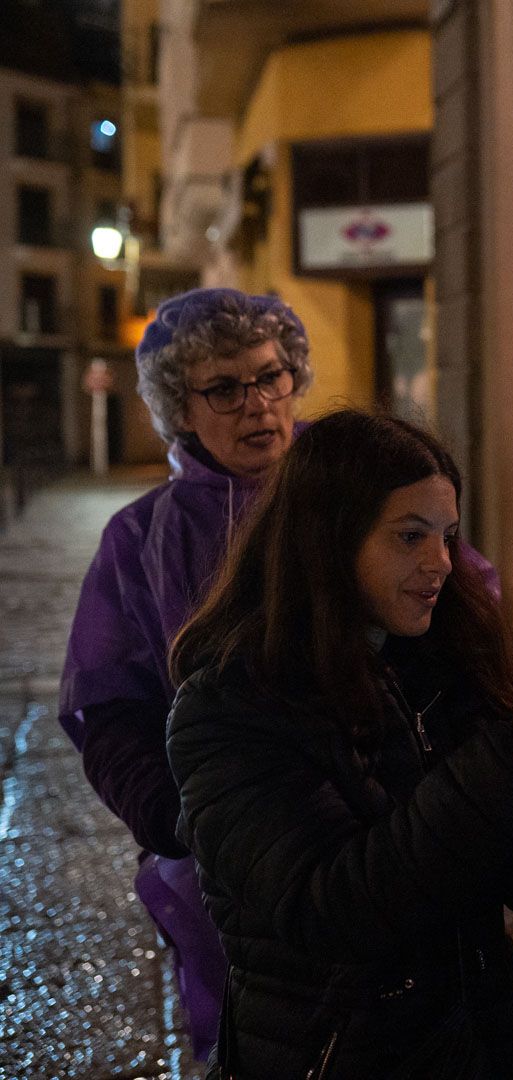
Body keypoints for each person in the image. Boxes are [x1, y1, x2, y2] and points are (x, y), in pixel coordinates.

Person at [165, 409, 513, 1078]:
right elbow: (333, 909)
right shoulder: (231, 705)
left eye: (449, 536)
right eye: (409, 537)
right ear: (328, 539)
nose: (441, 564)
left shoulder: (446, 668)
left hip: (479, 1049)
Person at [58, 287, 319, 1058]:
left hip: (367, 829)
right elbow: (108, 708)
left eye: (271, 378)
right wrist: (176, 817)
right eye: (225, 389)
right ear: (181, 408)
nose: (258, 405)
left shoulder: (352, 492)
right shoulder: (137, 541)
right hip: (219, 859)